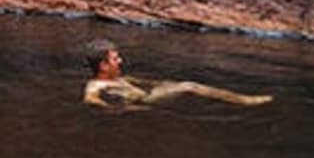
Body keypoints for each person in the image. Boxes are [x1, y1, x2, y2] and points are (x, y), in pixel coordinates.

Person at [81, 39, 272, 108]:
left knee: (176, 83)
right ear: (103, 66)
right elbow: (90, 99)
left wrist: (165, 84)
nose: (121, 60)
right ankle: (243, 100)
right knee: (190, 86)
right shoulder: (96, 85)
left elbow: (143, 82)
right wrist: (119, 109)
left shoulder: (119, 78)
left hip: (147, 94)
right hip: (145, 101)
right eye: (115, 59)